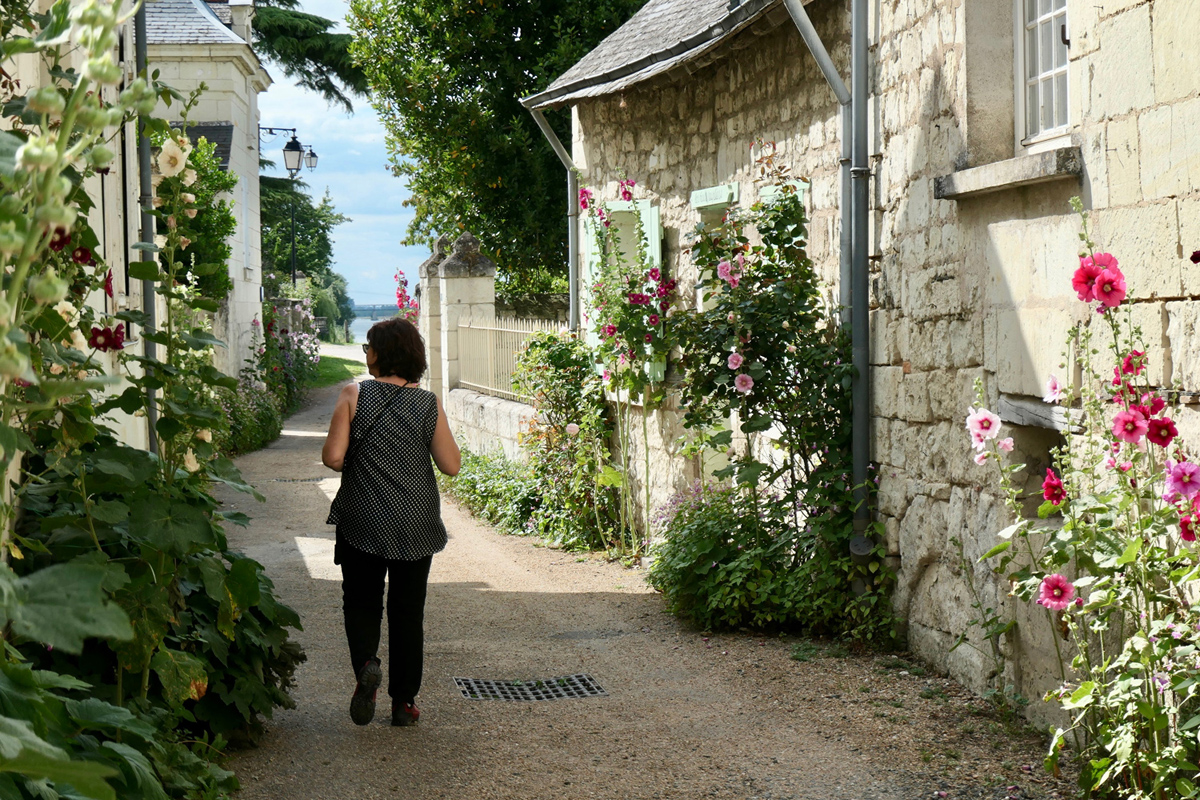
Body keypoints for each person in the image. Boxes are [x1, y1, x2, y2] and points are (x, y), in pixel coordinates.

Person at [321, 317, 461, 727]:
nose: (365, 353)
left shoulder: (353, 395)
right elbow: (451, 465)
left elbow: (332, 458)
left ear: (382, 353)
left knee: (361, 602)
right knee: (407, 611)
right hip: (416, 522)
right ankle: (404, 703)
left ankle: (367, 664)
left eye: (368, 347)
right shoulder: (427, 403)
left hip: (363, 517)